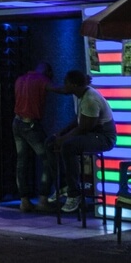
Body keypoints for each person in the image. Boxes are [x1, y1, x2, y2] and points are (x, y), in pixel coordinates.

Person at [49, 70, 116, 213]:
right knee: (50, 142)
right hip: (91, 133)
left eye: (66, 83)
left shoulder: (90, 99)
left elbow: (84, 127)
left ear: (73, 85)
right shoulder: (78, 95)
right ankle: (63, 185)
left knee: (68, 146)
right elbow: (80, 120)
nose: (64, 86)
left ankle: (74, 193)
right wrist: (60, 134)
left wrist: (63, 139)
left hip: (103, 137)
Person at [13, 62, 57, 212]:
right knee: (49, 159)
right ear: (47, 72)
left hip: (17, 123)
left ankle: (24, 201)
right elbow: (59, 90)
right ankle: (43, 200)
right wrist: (79, 84)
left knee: (22, 163)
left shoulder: (20, 79)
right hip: (31, 125)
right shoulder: (42, 80)